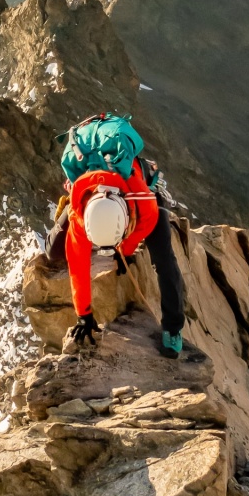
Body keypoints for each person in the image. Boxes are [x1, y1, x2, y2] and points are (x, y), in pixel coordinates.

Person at [45, 113, 186, 357]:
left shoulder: (144, 202)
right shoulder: (80, 215)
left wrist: (125, 251)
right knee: (53, 251)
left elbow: (141, 228)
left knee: (165, 260)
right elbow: (78, 265)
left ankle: (173, 328)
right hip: (89, 187)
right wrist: (83, 314)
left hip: (136, 185)